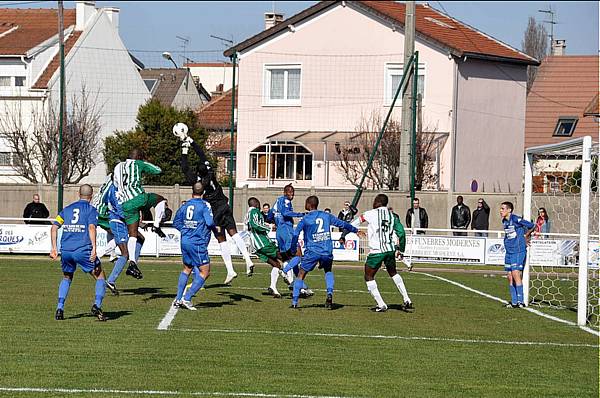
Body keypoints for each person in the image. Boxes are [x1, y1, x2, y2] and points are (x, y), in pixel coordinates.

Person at [176, 124, 254, 282]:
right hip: (225, 205)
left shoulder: (197, 182)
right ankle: (248, 259)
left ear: (197, 172)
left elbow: (184, 167)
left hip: (215, 209)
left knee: (221, 238)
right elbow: (202, 155)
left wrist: (183, 150)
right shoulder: (210, 172)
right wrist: (191, 142)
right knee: (234, 232)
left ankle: (231, 270)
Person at [50, 184, 107, 321]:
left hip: (66, 251)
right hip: (82, 250)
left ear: (78, 194)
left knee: (67, 277)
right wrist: (94, 248)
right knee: (100, 276)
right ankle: (97, 305)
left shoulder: (67, 209)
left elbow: (54, 228)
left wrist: (54, 248)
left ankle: (59, 308)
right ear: (92, 196)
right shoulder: (91, 210)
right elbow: (92, 228)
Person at [289, 195, 358, 309]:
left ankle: (294, 302)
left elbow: (296, 234)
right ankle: (329, 294)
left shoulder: (305, 218)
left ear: (309, 205)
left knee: (301, 274)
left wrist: (293, 248)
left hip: (312, 251)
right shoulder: (326, 215)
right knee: (328, 270)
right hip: (326, 250)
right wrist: (356, 230)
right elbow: (343, 224)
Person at [352, 194, 413, 312]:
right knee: (393, 273)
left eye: (374, 201)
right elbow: (401, 233)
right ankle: (407, 298)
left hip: (377, 251)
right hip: (389, 250)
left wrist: (356, 231)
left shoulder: (370, 213)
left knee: (368, 276)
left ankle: (381, 304)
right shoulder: (392, 216)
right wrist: (401, 250)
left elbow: (355, 223)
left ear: (378, 202)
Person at [113, 148, 167, 280]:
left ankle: (132, 262)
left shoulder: (118, 166)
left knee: (133, 234)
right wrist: (144, 163)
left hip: (125, 204)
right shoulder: (138, 164)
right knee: (160, 199)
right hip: (138, 198)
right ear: (138, 157)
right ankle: (157, 224)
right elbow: (157, 170)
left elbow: (115, 183)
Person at [172, 182, 218, 310]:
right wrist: (216, 230)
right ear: (203, 193)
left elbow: (176, 223)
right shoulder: (204, 205)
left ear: (192, 192)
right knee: (205, 271)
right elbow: (209, 222)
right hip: (197, 241)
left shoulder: (185, 205)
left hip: (185, 240)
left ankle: (178, 298)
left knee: (187, 268)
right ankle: (187, 299)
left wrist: (186, 230)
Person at [245, 197, 293, 298]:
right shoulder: (254, 211)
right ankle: (290, 280)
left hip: (255, 246)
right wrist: (270, 227)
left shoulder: (249, 213)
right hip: (261, 242)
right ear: (257, 204)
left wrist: (266, 225)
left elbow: (255, 224)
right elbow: (255, 224)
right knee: (284, 257)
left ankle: (273, 288)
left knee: (276, 264)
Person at [500, 201, 535, 308]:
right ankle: (514, 302)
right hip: (509, 251)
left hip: (518, 250)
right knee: (510, 276)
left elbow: (531, 225)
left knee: (516, 274)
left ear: (509, 210)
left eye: (503, 209)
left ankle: (521, 301)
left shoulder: (515, 219)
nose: (500, 211)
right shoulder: (504, 221)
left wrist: (526, 236)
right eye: (500, 209)